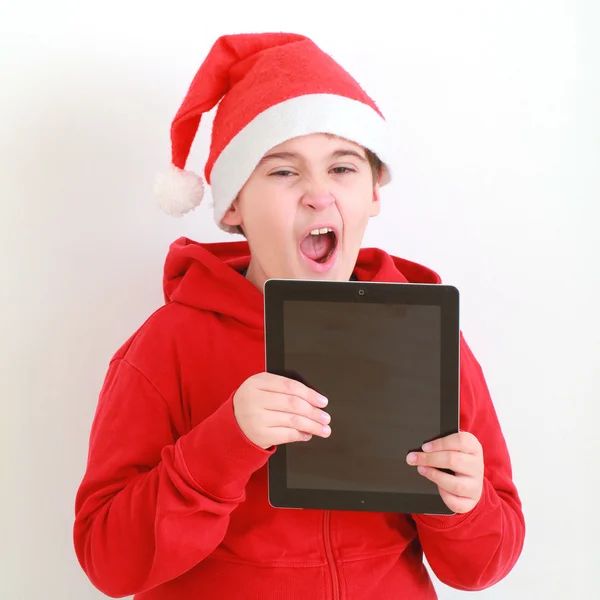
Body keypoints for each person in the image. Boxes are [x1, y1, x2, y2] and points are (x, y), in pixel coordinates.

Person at [73, 32, 525, 599]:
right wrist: (223, 445)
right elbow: (108, 563)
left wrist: (464, 504)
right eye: (284, 172)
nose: (318, 194)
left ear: (374, 195)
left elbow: (485, 565)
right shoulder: (168, 345)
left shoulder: (428, 339)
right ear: (233, 204)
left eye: (342, 168)